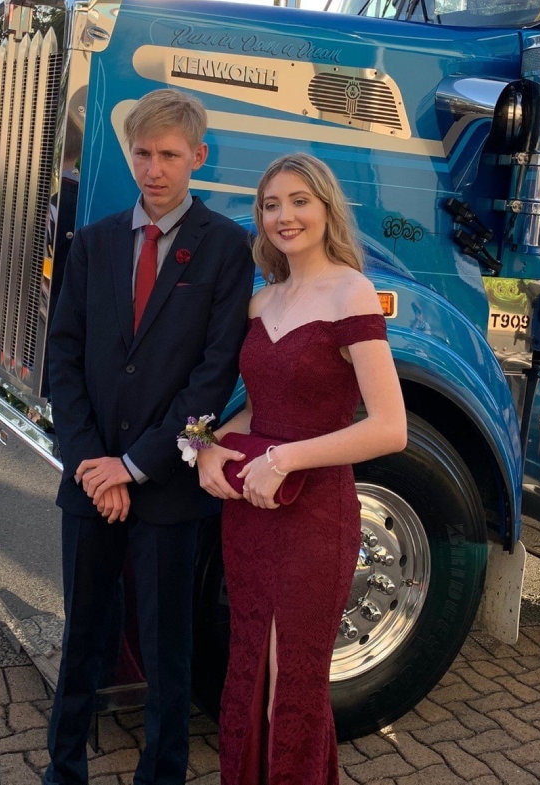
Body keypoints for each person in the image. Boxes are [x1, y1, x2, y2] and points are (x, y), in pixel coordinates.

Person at [42, 87, 253, 785]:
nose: (154, 168)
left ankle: (160, 774)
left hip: (166, 488)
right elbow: (63, 358)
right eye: (142, 152)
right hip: (90, 481)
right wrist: (90, 466)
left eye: (169, 154)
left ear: (198, 156)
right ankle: (63, 768)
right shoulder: (96, 242)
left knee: (168, 651)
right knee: (83, 641)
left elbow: (213, 380)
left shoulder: (225, 247)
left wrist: (133, 467)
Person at [197, 153, 406, 785]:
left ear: (325, 208)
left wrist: (284, 458)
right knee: (249, 668)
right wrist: (206, 444)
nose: (285, 216)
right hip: (252, 514)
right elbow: (259, 410)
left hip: (317, 514)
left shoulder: (352, 291)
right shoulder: (262, 303)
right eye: (271, 205)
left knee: (295, 679)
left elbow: (389, 428)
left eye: (299, 201)